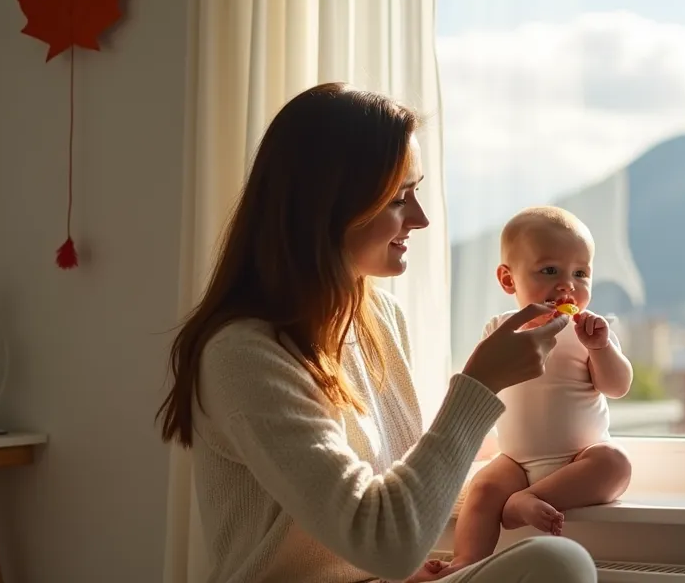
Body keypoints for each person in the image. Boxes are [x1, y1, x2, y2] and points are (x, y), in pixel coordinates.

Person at [156, 83, 598, 583]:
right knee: (557, 565)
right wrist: (478, 388)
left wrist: (529, 479)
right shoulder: (244, 356)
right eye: (398, 198)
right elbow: (385, 543)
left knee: (559, 560)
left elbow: (389, 496)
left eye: (417, 192)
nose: (421, 218)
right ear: (328, 205)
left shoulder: (378, 319)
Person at [420, 207, 633, 581]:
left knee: (615, 463)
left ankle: (528, 501)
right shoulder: (500, 329)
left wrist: (600, 349)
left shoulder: (590, 332)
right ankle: (465, 563)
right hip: (516, 462)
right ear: (508, 279)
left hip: (579, 459)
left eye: (580, 274)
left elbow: (617, 387)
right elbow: (480, 385)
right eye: (550, 271)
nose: (567, 286)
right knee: (482, 487)